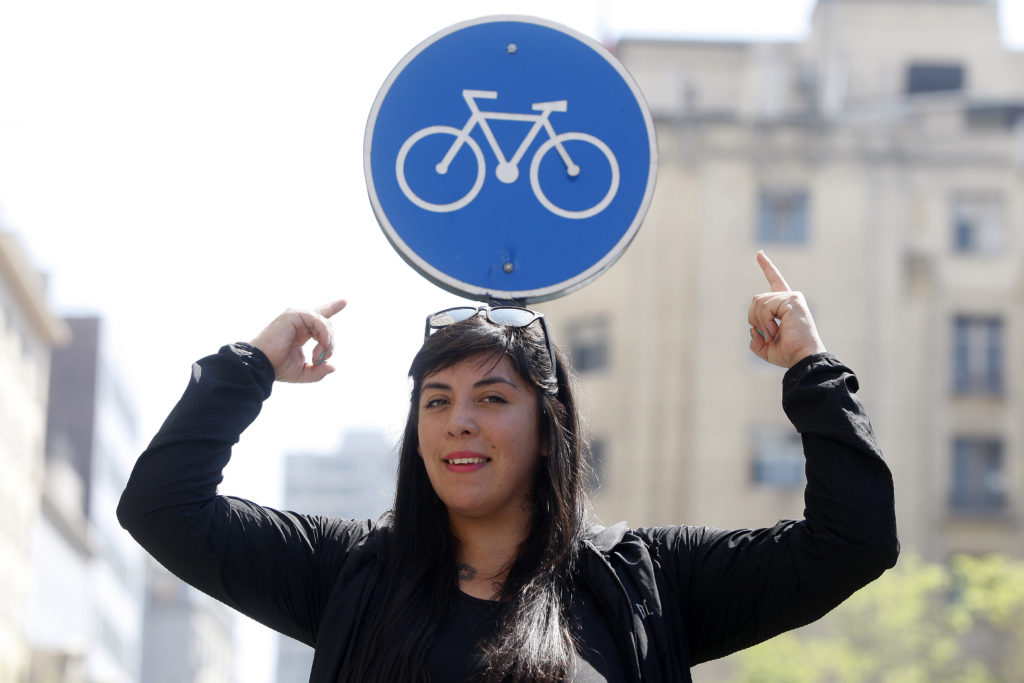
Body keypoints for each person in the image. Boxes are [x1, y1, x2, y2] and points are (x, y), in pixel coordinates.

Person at [117, 252, 898, 682]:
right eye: (436, 399)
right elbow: (161, 506)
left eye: (493, 397)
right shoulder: (348, 571)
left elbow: (852, 542)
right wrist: (250, 365)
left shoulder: (647, 583)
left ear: (549, 431)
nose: (459, 418)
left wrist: (811, 368)